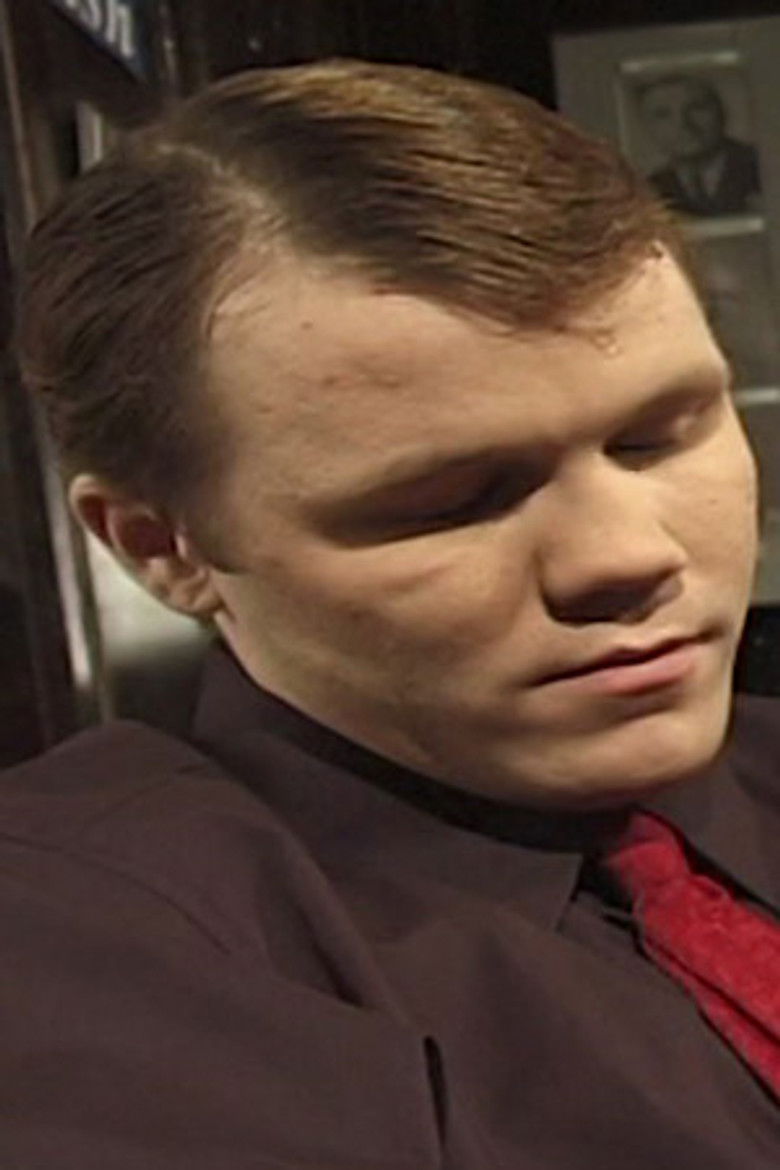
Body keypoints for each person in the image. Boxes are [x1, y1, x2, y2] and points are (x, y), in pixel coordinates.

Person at [3, 60, 778, 1168]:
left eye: (659, 436)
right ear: (165, 548)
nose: (628, 556)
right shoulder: (75, 938)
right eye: (454, 502)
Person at [636, 73, 761, 217]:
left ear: (722, 112)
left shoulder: (763, 166)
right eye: (663, 115)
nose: (683, 124)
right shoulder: (647, 190)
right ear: (647, 125)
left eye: (696, 108)